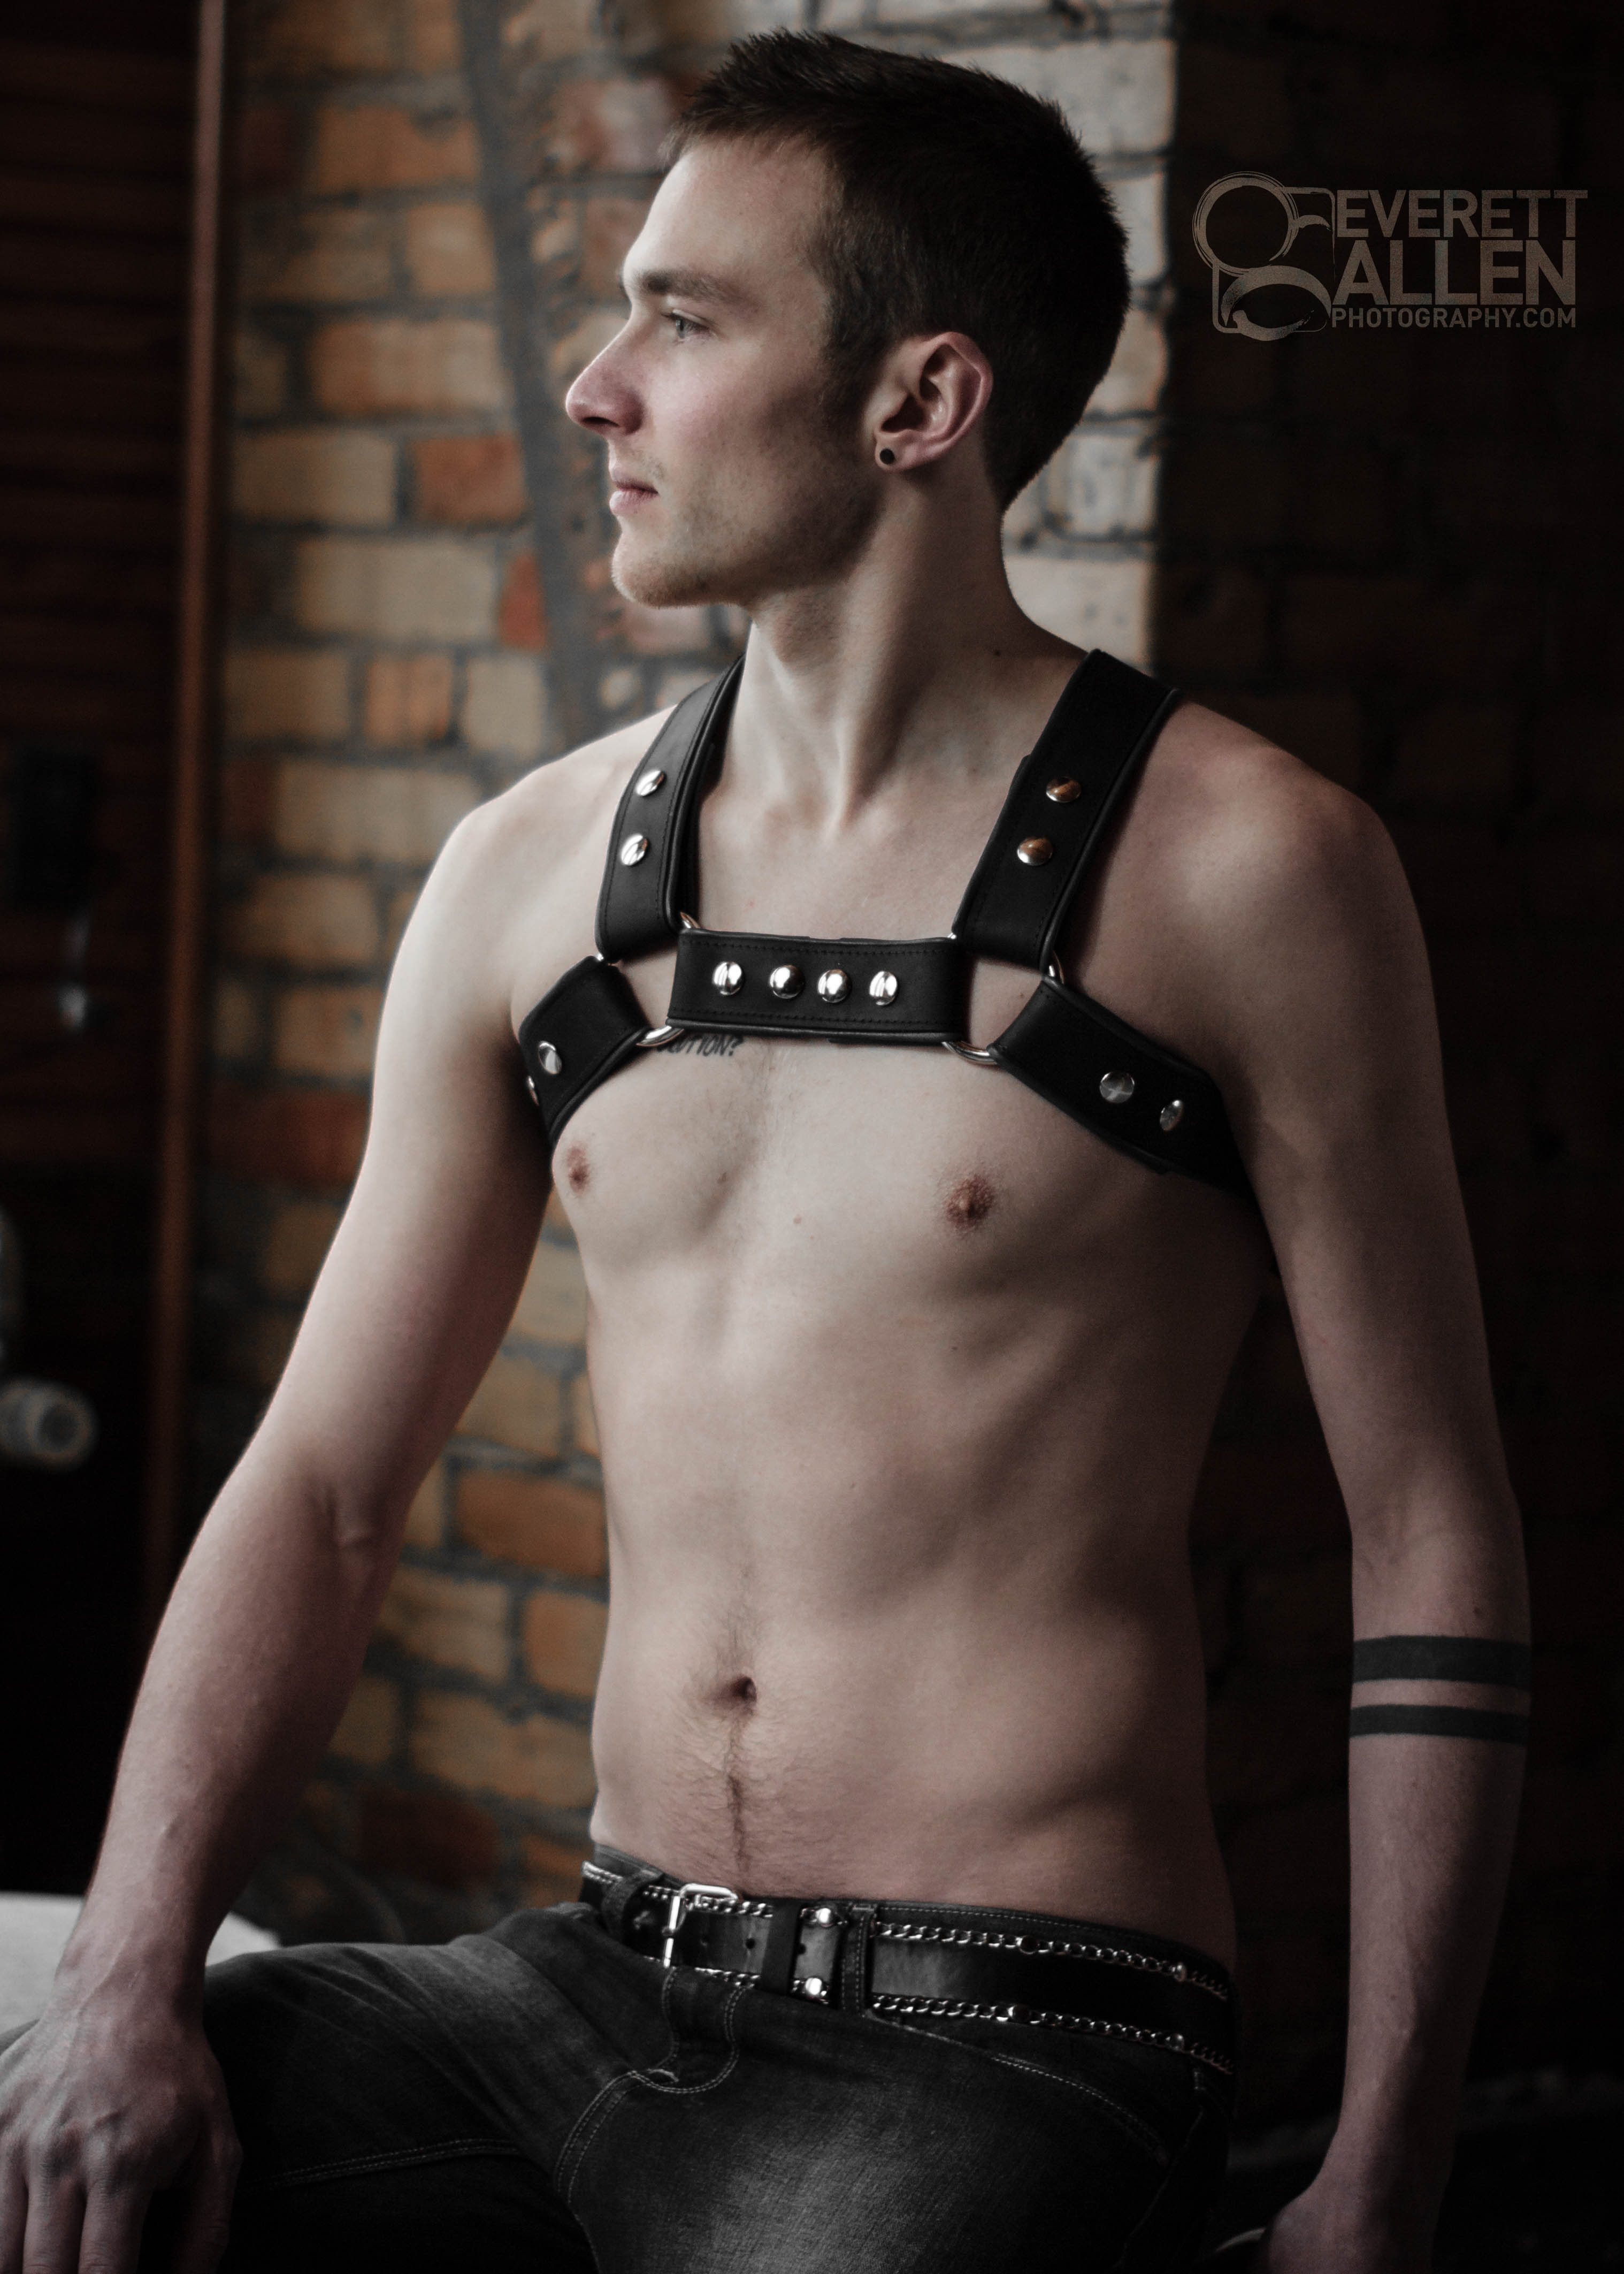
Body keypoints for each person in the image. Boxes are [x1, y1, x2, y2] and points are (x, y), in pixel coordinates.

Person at [0, 32, 1528, 2274]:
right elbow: (322, 1484)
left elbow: (1432, 1530)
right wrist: (128, 1975)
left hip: (1008, 2027)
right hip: (585, 1980)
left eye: (686, 321)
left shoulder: (1252, 870)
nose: (597, 389)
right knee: (59, 2149)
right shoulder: (528, 876)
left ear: (921, 401)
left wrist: (1382, 2176)